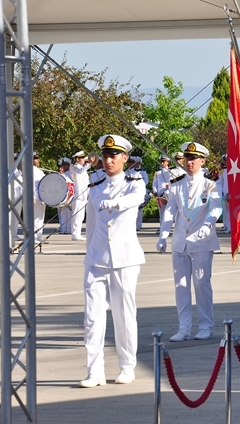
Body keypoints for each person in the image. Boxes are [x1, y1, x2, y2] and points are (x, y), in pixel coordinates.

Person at [79, 134, 146, 388]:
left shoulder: (134, 182)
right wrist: (89, 256)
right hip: (97, 259)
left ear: (125, 158)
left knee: (124, 315)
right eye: (105, 155)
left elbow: (136, 200)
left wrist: (116, 202)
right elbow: (93, 225)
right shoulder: (95, 186)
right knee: (93, 317)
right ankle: (94, 371)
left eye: (114, 155)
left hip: (125, 259)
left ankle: (127, 366)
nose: (109, 160)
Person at [156, 142, 222, 342]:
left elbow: (216, 208)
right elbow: (170, 211)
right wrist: (163, 234)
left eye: (194, 158)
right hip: (180, 242)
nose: (190, 162)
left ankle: (205, 325)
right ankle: (184, 327)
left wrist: (208, 225)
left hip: (202, 241)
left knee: (201, 284)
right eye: (187, 158)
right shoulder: (177, 184)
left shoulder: (210, 184)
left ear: (202, 160)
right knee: (181, 285)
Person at [69, 150, 90, 241]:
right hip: (77, 194)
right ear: (77, 159)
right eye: (82, 158)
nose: (84, 160)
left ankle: (78, 233)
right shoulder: (74, 167)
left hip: (83, 195)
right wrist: (89, 164)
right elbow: (80, 171)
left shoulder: (82, 168)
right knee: (76, 215)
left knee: (81, 216)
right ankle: (74, 234)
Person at [126, 156, 149, 231]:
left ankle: (138, 225)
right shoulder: (125, 172)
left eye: (131, 162)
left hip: (137, 193)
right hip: (127, 193)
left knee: (139, 209)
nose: (129, 164)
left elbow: (146, 181)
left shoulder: (140, 172)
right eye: (128, 162)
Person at [152, 155, 172, 225]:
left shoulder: (171, 171)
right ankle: (161, 227)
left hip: (168, 194)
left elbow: (173, 182)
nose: (162, 163)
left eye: (164, 161)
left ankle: (168, 227)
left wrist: (168, 186)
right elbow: (155, 183)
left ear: (168, 162)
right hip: (160, 195)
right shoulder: (157, 173)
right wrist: (155, 191)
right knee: (161, 212)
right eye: (161, 161)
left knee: (168, 212)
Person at [32, 152, 46, 244]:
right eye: (35, 158)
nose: (38, 160)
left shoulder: (40, 171)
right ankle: (33, 237)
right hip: (35, 197)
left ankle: (38, 237)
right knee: (35, 217)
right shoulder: (29, 170)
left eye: (38, 158)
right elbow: (30, 185)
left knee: (40, 218)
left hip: (42, 197)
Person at [57, 158, 73, 234]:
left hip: (70, 196)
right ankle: (63, 228)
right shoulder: (61, 174)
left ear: (68, 165)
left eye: (64, 165)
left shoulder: (72, 173)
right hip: (62, 196)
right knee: (62, 213)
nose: (62, 167)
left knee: (69, 213)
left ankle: (69, 228)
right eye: (61, 165)